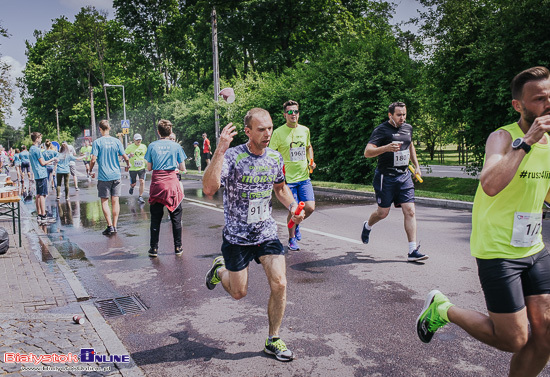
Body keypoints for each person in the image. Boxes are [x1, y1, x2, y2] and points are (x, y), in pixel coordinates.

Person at [417, 66, 550, 377]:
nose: (548, 104)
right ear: (519, 105)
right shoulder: (503, 137)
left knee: (545, 335)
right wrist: (528, 141)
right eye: (540, 99)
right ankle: (442, 309)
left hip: (535, 247)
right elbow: (490, 183)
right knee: (514, 339)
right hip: (498, 250)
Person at [203, 108, 305, 362]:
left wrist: (292, 206)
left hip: (266, 232)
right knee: (239, 293)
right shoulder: (233, 157)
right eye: (261, 129)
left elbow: (280, 189)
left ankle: (273, 339)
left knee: (280, 283)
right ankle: (219, 271)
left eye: (270, 128)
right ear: (248, 132)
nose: (267, 133)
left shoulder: (273, 157)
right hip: (237, 237)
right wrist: (220, 150)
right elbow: (209, 188)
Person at [360, 101, 428, 262]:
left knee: (410, 211)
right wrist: (386, 148)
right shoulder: (381, 130)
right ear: (390, 115)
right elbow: (367, 152)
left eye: (404, 114)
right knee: (382, 213)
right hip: (386, 177)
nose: (402, 118)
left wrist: (416, 166)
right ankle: (367, 226)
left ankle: (412, 250)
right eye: (399, 115)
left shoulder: (408, 128)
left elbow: (410, 145)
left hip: (404, 176)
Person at [269, 100, 316, 251]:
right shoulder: (278, 133)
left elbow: (308, 147)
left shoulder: (305, 130)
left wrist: (311, 161)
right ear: (284, 115)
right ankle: (291, 239)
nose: (293, 114)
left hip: (303, 177)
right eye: (290, 112)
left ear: (298, 114)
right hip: (287, 179)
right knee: (294, 210)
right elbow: (271, 154)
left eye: (295, 111)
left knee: (309, 208)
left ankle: (296, 224)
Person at [145, 120, 187, 257]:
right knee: (176, 216)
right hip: (171, 184)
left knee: (155, 217)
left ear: (158, 132)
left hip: (157, 184)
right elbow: (182, 168)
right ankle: (178, 247)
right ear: (170, 132)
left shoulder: (152, 146)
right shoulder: (176, 146)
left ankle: (154, 249)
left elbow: (149, 168)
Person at [88, 120, 130, 236]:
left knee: (105, 201)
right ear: (109, 128)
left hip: (104, 176)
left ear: (99, 129)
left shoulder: (97, 142)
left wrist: (90, 170)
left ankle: (110, 226)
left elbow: (93, 159)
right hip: (116, 175)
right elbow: (125, 157)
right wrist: (128, 165)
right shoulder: (116, 141)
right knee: (115, 201)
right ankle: (115, 226)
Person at [29, 132, 56, 224]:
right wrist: (53, 159)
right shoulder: (37, 150)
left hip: (37, 174)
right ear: (36, 139)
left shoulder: (31, 149)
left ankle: (40, 215)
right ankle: (44, 215)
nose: (41, 140)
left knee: (38, 195)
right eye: (40, 138)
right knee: (43, 195)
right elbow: (43, 163)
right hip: (42, 173)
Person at [125, 133, 147, 204]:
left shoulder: (144, 146)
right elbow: (124, 155)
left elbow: (146, 155)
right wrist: (129, 155)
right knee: (133, 183)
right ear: (134, 140)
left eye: (140, 140)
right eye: (137, 140)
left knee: (142, 181)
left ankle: (140, 197)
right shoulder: (130, 147)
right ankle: (132, 187)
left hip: (141, 167)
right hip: (133, 168)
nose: (139, 141)